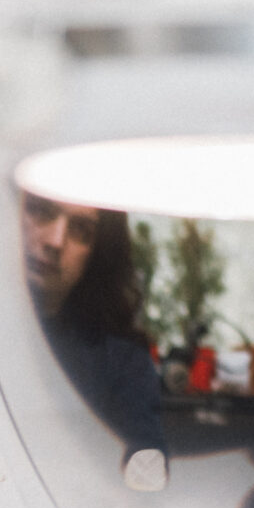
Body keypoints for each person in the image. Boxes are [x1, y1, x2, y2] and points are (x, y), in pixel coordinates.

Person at [22, 192, 168, 492]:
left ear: (97, 252)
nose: (55, 241)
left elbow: (146, 462)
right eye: (41, 211)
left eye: (81, 231)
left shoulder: (121, 358)